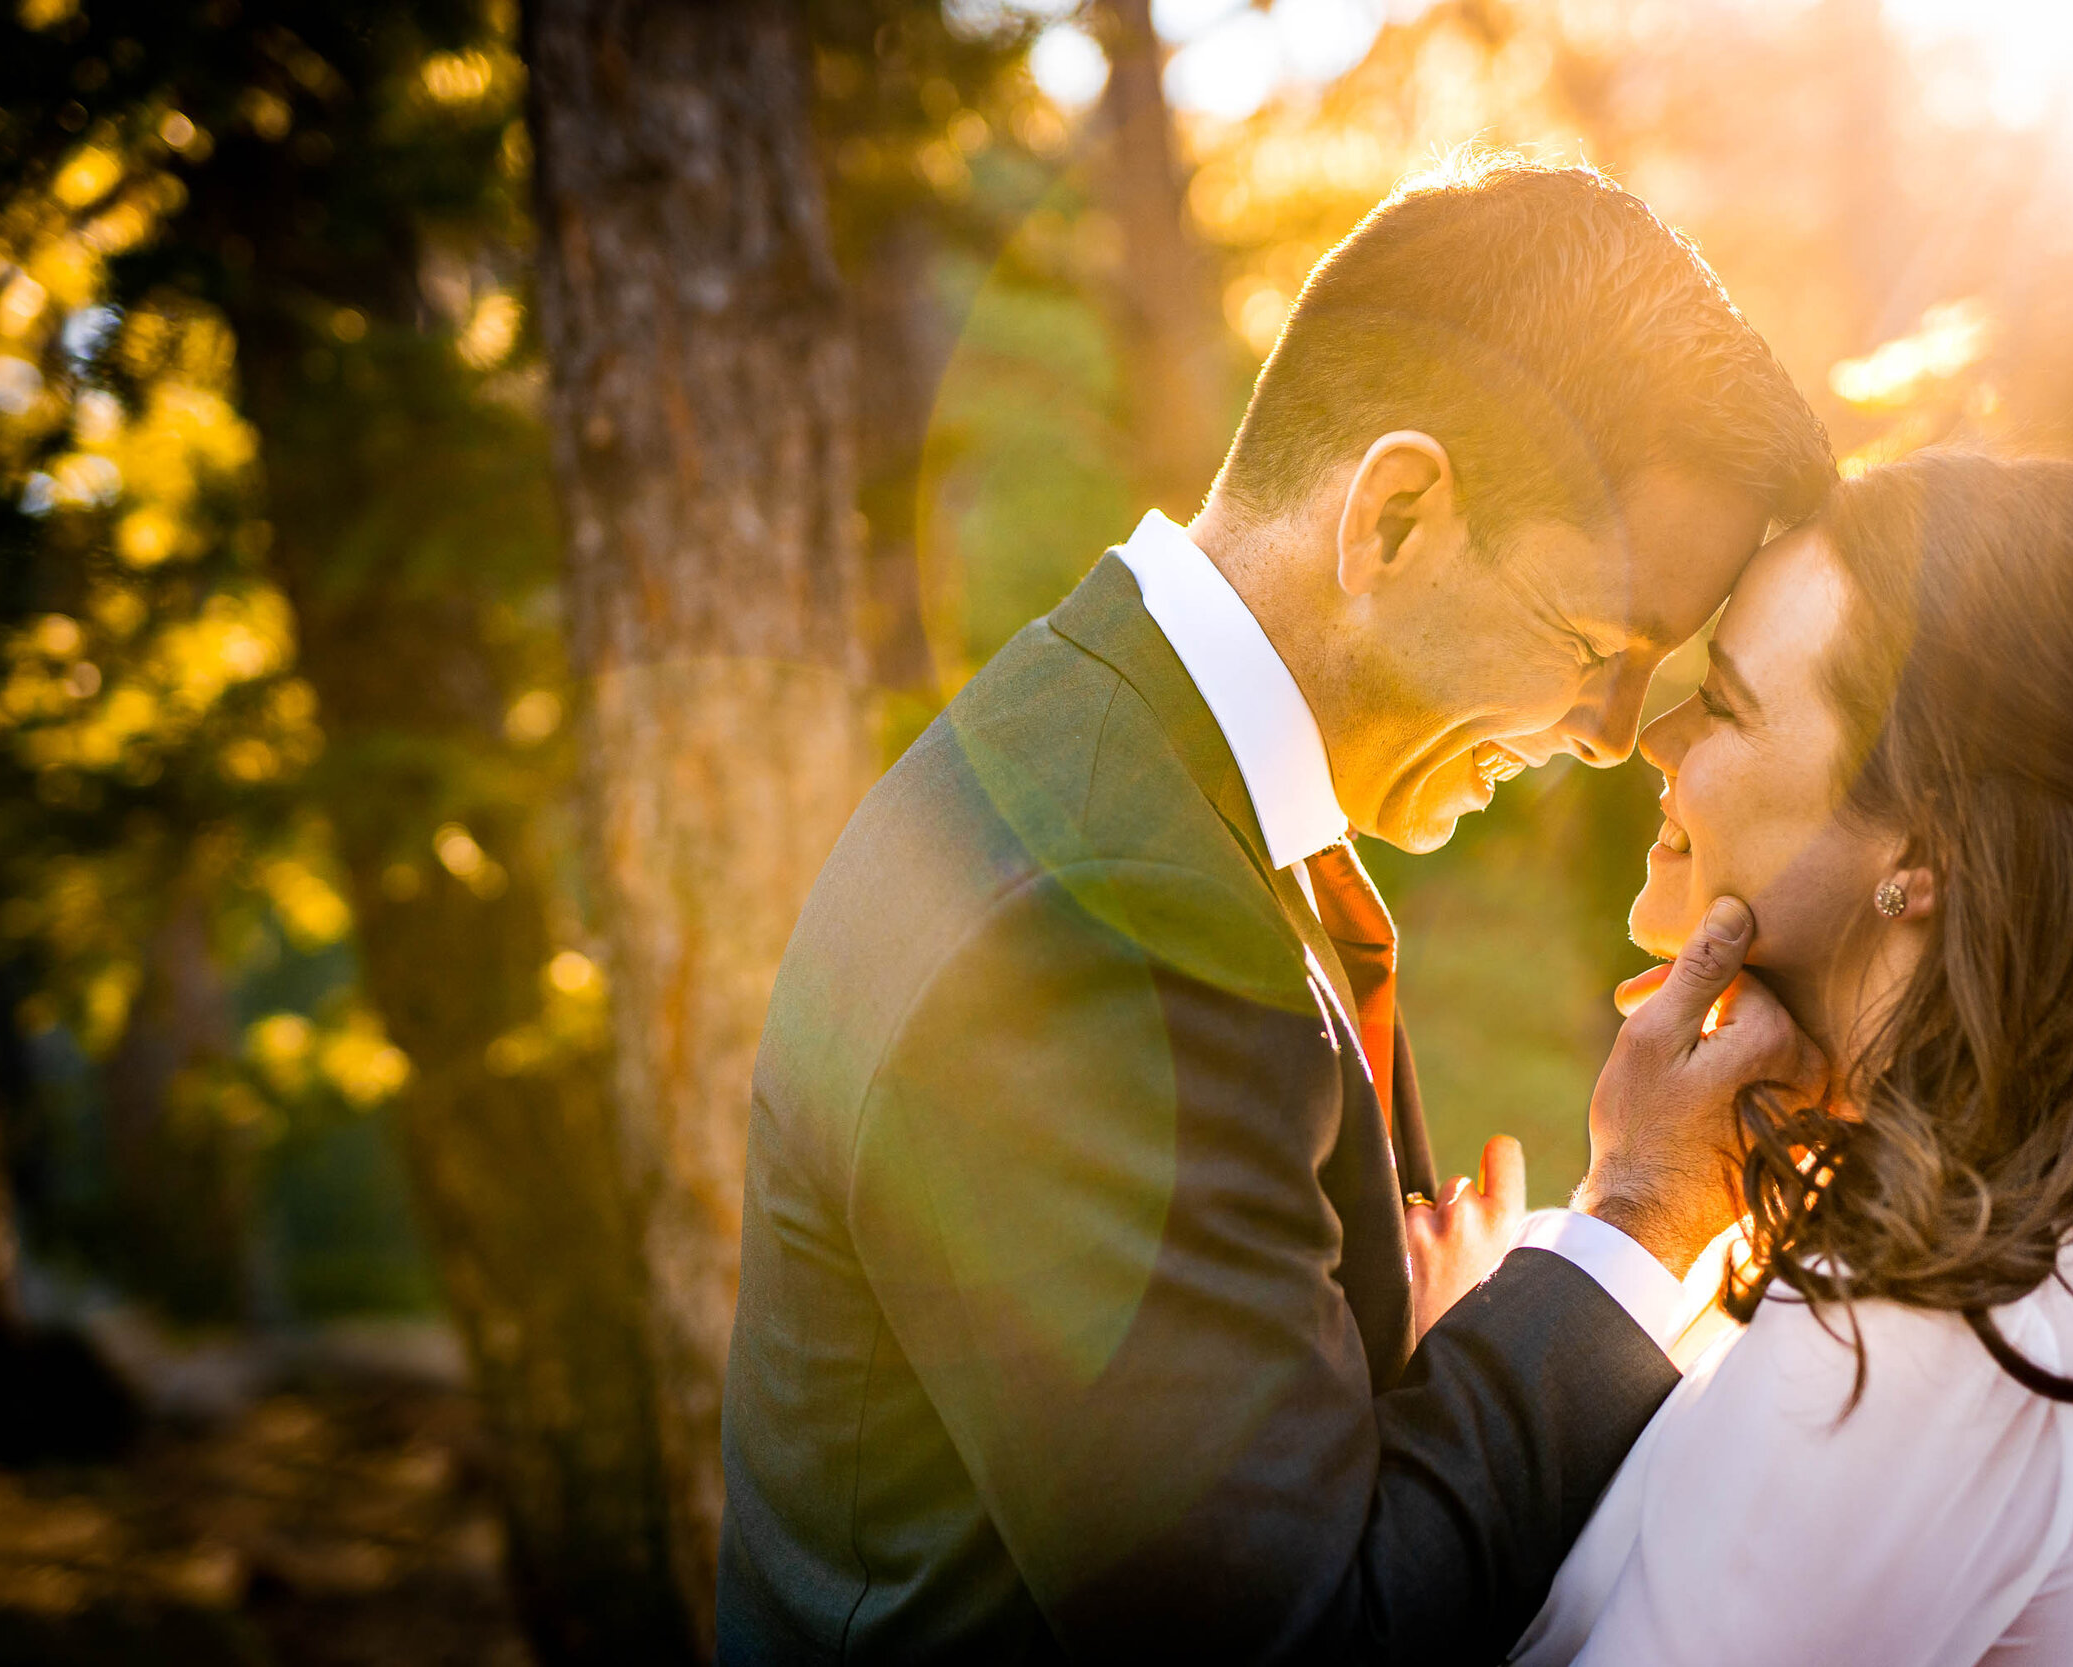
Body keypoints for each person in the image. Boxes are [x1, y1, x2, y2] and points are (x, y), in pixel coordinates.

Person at [717, 152, 1831, 1662]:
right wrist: (1638, 1212)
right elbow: (1307, 1635)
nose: (1616, 729)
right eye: (1592, 641)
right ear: (1393, 517)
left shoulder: (1167, 786)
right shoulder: (1099, 908)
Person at [1506, 453, 2073, 1665]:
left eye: (1724, 704)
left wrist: (1617, 1224)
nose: (1654, 738)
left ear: (1923, 843)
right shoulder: (1926, 1248)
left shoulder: (1961, 1314)